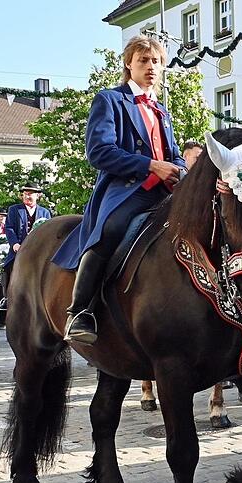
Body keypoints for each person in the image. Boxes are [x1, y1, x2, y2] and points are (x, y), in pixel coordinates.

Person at [52, 35, 186, 344]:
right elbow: (99, 152)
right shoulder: (110, 99)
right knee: (111, 230)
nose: (151, 67)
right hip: (128, 189)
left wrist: (181, 169)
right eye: (143, 61)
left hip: (167, 189)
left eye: (156, 61)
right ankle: (80, 311)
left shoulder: (161, 110)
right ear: (129, 64)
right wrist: (151, 166)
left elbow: (174, 153)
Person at [1, 185, 52, 310]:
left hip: (39, 250)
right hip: (19, 248)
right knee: (8, 266)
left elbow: (50, 230)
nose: (27, 196)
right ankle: (7, 297)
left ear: (37, 196)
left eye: (31, 194)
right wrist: (14, 244)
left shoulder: (45, 212)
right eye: (25, 194)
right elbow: (9, 228)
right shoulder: (14, 210)